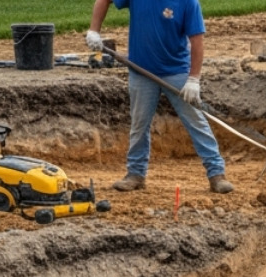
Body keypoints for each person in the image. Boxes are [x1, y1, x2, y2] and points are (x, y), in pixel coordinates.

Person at [87, 0, 234, 195]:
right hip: (141, 71)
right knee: (139, 124)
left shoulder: (188, 3)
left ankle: (217, 174)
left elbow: (197, 42)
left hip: (176, 72)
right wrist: (94, 31)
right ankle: (136, 174)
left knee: (195, 121)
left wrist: (193, 79)